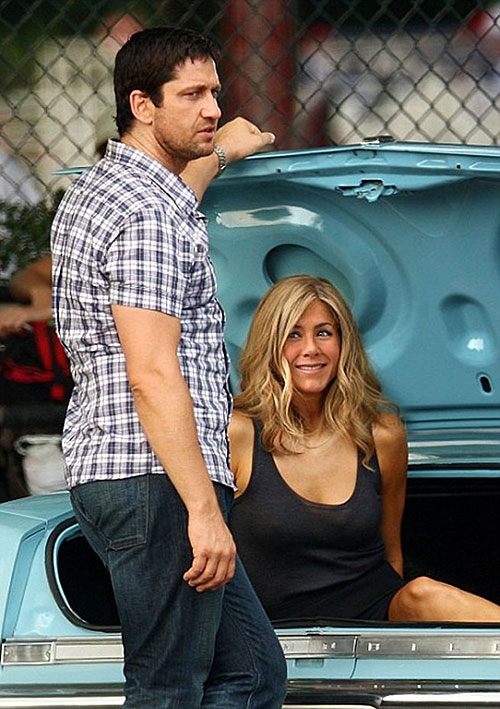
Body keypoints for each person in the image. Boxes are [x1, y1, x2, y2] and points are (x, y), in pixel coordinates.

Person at [51, 26, 286, 709]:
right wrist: (203, 511)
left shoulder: (104, 190)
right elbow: (152, 373)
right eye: (192, 95)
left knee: (253, 672)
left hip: (128, 471)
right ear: (142, 104)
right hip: (158, 480)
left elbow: (175, 194)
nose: (214, 108)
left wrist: (223, 153)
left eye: (215, 91)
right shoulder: (148, 217)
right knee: (166, 687)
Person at [229, 274, 500, 623]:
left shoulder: (382, 434)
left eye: (324, 333)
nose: (310, 348)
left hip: (372, 618)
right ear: (270, 344)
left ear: (343, 344)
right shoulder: (237, 432)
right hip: (270, 630)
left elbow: (392, 553)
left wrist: (385, 643)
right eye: (293, 334)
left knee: (425, 593)